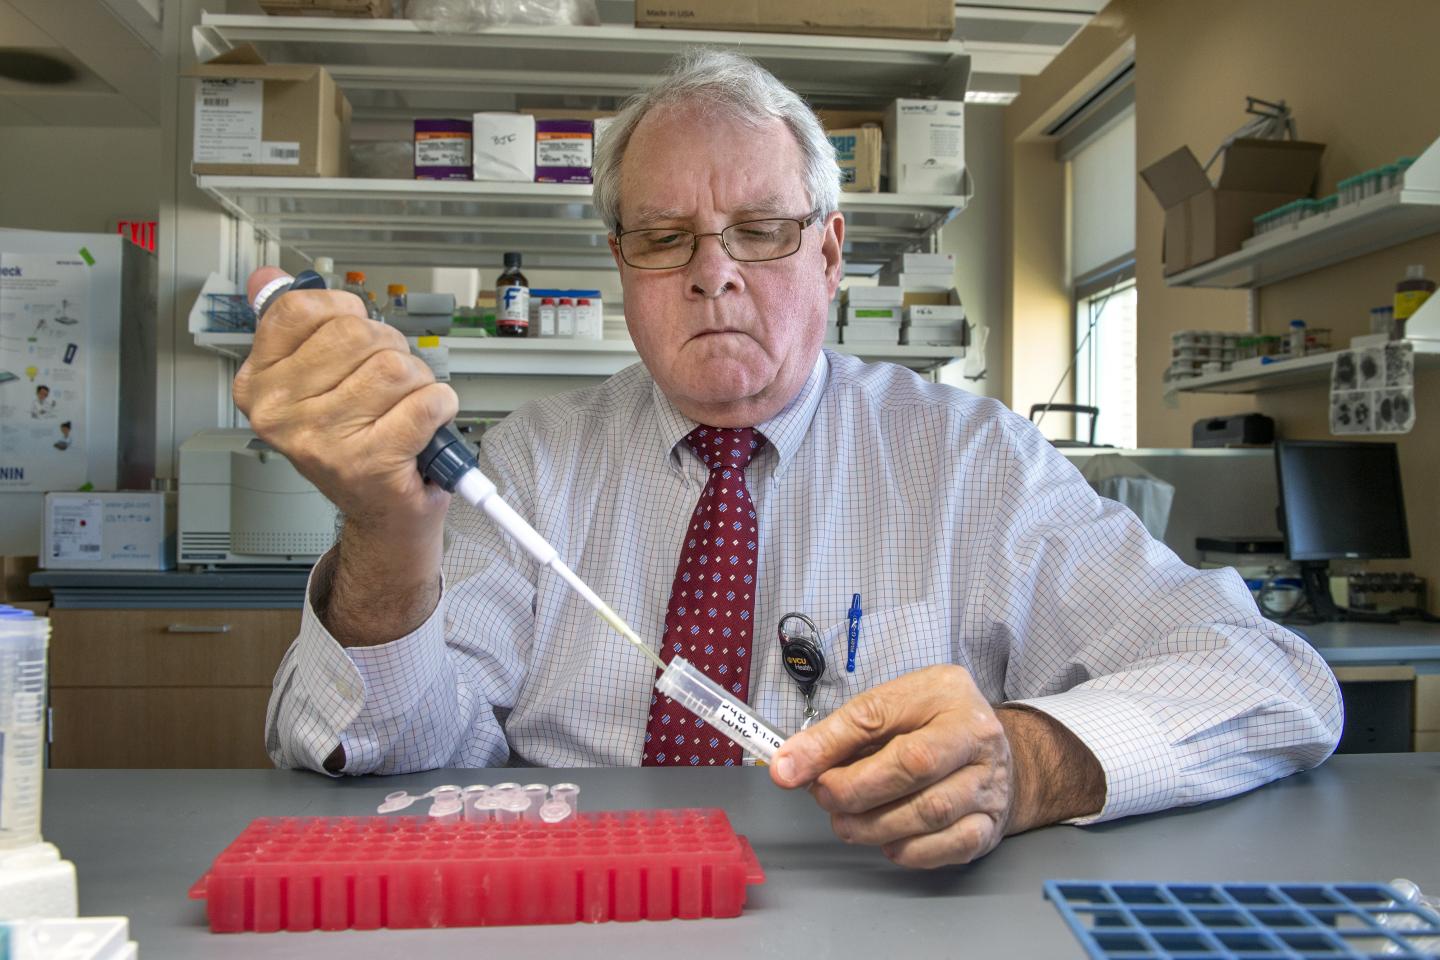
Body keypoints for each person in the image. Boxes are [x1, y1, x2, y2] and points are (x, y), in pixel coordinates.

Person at [236, 50, 1341, 869]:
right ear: (621, 262)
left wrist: (1027, 761)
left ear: (830, 249)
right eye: (666, 238)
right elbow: (380, 754)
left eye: (761, 229)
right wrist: (387, 529)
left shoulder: (974, 462)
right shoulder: (529, 468)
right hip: (577, 918)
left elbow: (1270, 680)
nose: (714, 275)